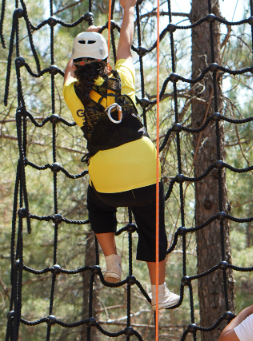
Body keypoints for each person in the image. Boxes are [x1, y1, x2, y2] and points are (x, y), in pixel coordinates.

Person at [62, 0, 179, 309]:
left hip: (107, 180)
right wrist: (128, 11)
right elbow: (125, 47)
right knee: (152, 224)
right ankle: (160, 293)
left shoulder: (72, 91)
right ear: (106, 64)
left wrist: (84, 37)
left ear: (77, 63)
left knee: (97, 202)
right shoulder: (122, 80)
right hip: (144, 168)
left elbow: (69, 74)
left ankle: (112, 261)